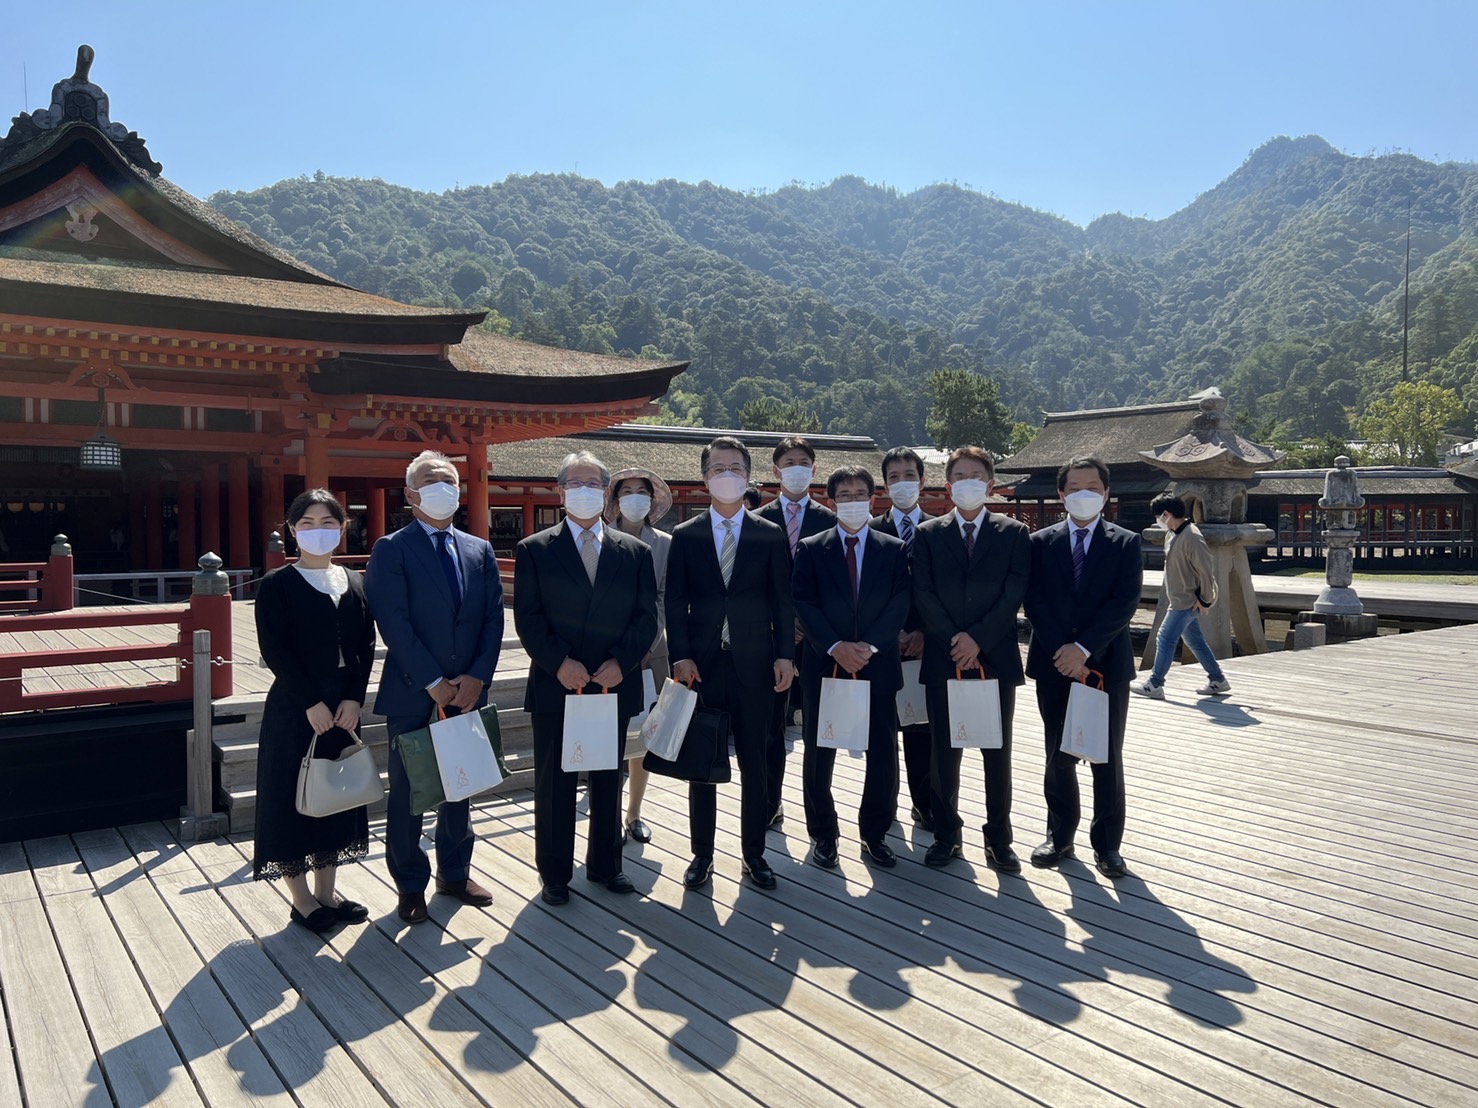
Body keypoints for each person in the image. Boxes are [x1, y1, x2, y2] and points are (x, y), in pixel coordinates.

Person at [366, 449, 504, 924]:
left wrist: (477, 677)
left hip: (467, 691)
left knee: (459, 787)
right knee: (409, 793)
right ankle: (409, 884)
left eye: (450, 479)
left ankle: (454, 871)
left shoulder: (478, 549)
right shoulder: (392, 548)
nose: (444, 485)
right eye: (431, 479)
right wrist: (433, 682)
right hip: (413, 691)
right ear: (411, 494)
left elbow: (491, 618)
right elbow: (394, 621)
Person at [514, 451, 658, 905]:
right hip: (559, 683)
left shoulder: (635, 551)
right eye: (574, 483)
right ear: (561, 494)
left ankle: (606, 864)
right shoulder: (534, 549)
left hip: (613, 681)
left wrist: (623, 661)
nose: (584, 490)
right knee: (555, 783)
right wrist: (559, 663)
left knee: (606, 777)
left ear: (605, 492)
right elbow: (528, 617)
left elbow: (646, 617)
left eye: (593, 483)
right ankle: (555, 873)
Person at [667, 435, 796, 890]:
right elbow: (676, 600)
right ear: (705, 478)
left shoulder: (769, 533)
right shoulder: (687, 535)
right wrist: (679, 654)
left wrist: (785, 655)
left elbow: (782, 602)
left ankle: (754, 853)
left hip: (756, 665)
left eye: (735, 468)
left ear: (748, 476)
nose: (727, 476)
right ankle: (702, 854)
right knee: (701, 761)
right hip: (700, 666)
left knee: (756, 763)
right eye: (718, 468)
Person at [251, 489, 374, 932]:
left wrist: (354, 698)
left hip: (344, 703)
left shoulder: (355, 581)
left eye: (327, 523)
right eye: (307, 523)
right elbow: (275, 651)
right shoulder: (277, 585)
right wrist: (310, 703)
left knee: (337, 794)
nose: (317, 531)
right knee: (293, 794)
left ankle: (327, 893)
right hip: (296, 704)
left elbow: (365, 645)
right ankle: (301, 898)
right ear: (291, 530)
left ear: (342, 529)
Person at [912, 446, 1031, 871]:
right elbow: (922, 592)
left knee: (996, 752)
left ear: (990, 484)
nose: (967, 482)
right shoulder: (928, 534)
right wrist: (954, 639)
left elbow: (1013, 593)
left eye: (975, 475)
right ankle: (947, 835)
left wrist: (977, 639)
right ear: (948, 485)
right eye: (959, 475)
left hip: (994, 657)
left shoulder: (1013, 532)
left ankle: (999, 837)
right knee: (944, 752)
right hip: (944, 658)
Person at [1024, 456, 1143, 880]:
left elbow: (1124, 602)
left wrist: (1084, 649)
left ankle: (1108, 844)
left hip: (1106, 664)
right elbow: (1033, 599)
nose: (1083, 494)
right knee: (1058, 753)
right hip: (1054, 663)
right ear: (1061, 494)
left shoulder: (1126, 542)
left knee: (1105, 755)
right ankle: (1059, 834)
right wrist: (1064, 650)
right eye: (1074, 487)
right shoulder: (1039, 542)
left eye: (1092, 486)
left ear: (1106, 493)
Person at [792, 466, 910, 868]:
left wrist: (870, 646)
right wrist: (836, 645)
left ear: (873, 499)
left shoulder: (893, 548)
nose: (854, 501)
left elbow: (900, 603)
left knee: (882, 753)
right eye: (845, 495)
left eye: (861, 493)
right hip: (824, 664)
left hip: (878, 664)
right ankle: (823, 834)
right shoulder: (812, 547)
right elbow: (803, 602)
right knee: (819, 750)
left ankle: (875, 834)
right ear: (831, 501)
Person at [756, 435, 836, 831]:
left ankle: (818, 817)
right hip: (771, 639)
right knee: (772, 729)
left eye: (803, 462)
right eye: (789, 462)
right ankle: (770, 802)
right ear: (775, 471)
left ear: (814, 469)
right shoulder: (757, 518)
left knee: (817, 729)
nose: (796, 468)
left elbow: (835, 585)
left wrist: (805, 624)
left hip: (817, 639)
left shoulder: (830, 519)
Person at [604, 466, 675, 844]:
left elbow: (664, 597)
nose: (634, 497)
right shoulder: (601, 539)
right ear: (614, 501)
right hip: (609, 655)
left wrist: (645, 641)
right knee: (608, 735)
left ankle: (634, 813)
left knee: (642, 736)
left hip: (653, 653)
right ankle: (606, 811)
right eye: (626, 491)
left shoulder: (665, 543)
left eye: (640, 491)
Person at [869, 446, 936, 830]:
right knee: (881, 730)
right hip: (882, 645)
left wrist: (925, 631)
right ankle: (883, 806)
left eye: (909, 475)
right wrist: (889, 635)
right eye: (894, 477)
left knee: (921, 730)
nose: (902, 483)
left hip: (927, 644)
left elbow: (944, 589)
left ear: (922, 480)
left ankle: (924, 803)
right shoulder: (872, 530)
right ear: (885, 484)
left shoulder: (939, 529)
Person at [1132, 493, 1230, 699]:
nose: (1157, 521)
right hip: (1179, 599)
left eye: (1158, 516)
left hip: (1187, 601)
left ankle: (1155, 683)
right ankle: (1218, 679)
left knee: (1165, 637)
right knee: (1195, 641)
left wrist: (1205, 599)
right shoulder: (1172, 533)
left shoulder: (1192, 536)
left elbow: (1205, 569)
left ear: (1166, 514)